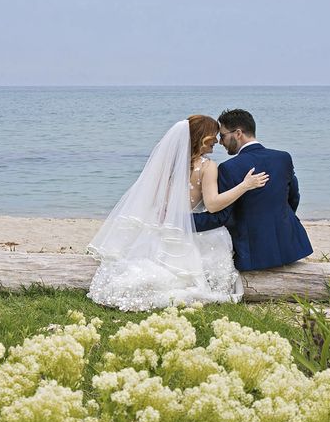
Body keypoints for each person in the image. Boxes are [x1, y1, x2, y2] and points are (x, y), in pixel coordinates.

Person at [87, 115, 268, 311]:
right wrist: (245, 186)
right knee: (218, 239)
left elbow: (152, 200)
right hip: (188, 232)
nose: (217, 141)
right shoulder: (207, 167)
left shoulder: (168, 164)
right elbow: (213, 205)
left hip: (162, 230)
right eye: (214, 136)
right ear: (204, 138)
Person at [193, 109, 313, 271]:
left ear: (238, 133)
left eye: (222, 136)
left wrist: (182, 221)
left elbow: (219, 217)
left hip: (253, 253)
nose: (220, 142)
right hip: (291, 246)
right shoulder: (283, 157)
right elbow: (293, 197)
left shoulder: (229, 168)